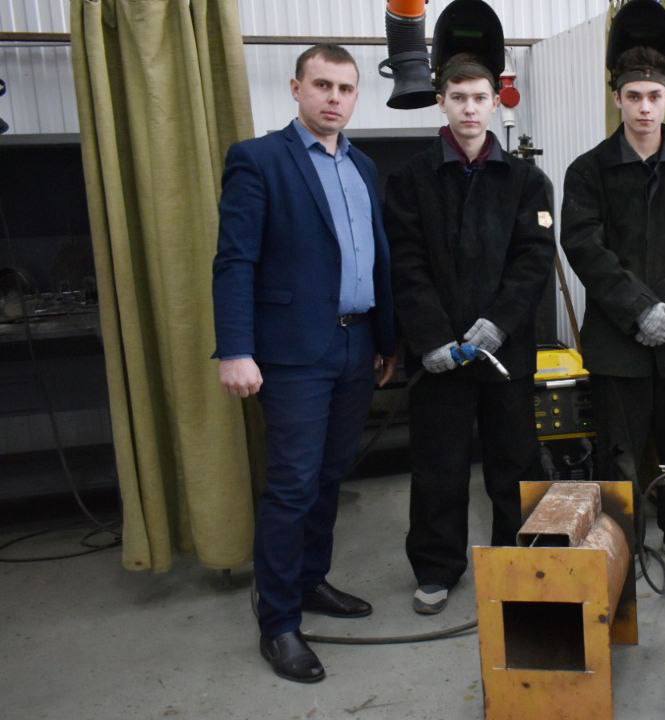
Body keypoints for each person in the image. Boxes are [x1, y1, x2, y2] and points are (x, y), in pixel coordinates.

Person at [212, 44, 397, 683]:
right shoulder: (258, 160)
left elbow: (375, 258)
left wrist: (386, 341)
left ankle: (311, 581)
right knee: (292, 484)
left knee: (329, 476)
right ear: (296, 89)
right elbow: (235, 260)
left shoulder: (364, 166)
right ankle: (279, 623)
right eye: (322, 85)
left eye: (345, 88)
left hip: (356, 345)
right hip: (292, 353)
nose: (334, 98)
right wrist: (236, 349)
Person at [383, 50, 555, 616]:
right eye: (458, 98)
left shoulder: (526, 180)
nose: (469, 109)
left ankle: (517, 559)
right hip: (439, 358)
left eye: (480, 97)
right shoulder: (411, 179)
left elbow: (533, 260)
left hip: (506, 353)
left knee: (515, 461)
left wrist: (498, 324)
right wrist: (431, 338)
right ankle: (436, 569)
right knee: (439, 465)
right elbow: (406, 263)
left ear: (496, 102)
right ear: (441, 101)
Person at [560, 0, 665, 554]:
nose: (645, 108)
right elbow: (584, 246)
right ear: (617, 99)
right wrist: (638, 309)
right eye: (634, 96)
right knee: (619, 453)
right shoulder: (588, 171)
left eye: (654, 96)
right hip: (617, 342)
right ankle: (621, 544)